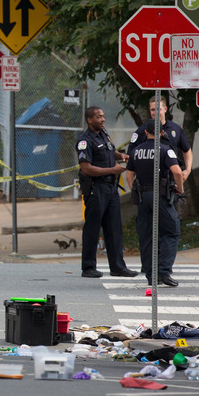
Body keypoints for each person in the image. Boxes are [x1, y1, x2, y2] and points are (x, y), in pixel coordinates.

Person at [75, 106, 138, 278]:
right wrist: (112, 170)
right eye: (99, 117)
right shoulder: (85, 140)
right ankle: (88, 267)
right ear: (90, 120)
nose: (103, 119)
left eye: (103, 116)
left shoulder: (104, 134)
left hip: (111, 189)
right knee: (93, 229)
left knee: (114, 228)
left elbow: (110, 151)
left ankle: (118, 267)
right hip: (96, 189)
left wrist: (121, 156)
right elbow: (86, 168)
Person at [124, 120, 185, 287]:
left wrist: (135, 191)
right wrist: (180, 188)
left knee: (147, 236)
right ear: (160, 133)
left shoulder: (136, 151)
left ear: (145, 133)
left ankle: (151, 276)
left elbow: (129, 175)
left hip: (143, 198)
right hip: (161, 196)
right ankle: (164, 271)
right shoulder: (165, 150)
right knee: (171, 231)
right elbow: (177, 172)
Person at [128, 98, 192, 180]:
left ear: (165, 109)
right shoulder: (141, 131)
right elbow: (129, 157)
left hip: (171, 180)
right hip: (148, 181)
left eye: (158, 109)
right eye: (152, 110)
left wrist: (188, 170)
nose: (155, 113)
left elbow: (187, 150)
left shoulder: (176, 129)